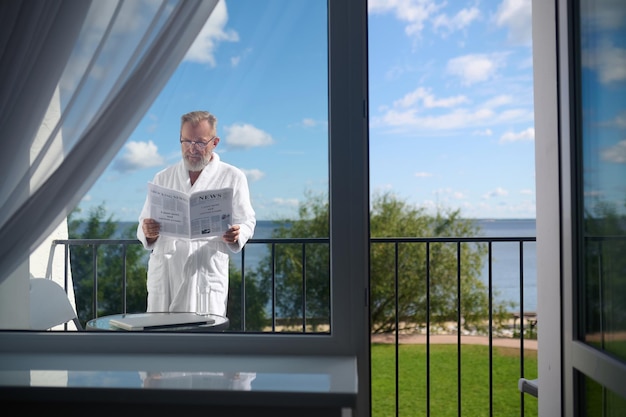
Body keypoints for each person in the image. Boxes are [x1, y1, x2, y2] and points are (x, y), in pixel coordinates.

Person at [136, 110, 256, 316]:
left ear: (215, 142)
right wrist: (148, 231)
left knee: (204, 339)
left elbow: (247, 221)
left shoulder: (233, 176)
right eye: (186, 141)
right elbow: (143, 223)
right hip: (166, 271)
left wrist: (238, 233)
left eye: (200, 142)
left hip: (204, 271)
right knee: (161, 337)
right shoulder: (162, 177)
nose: (192, 149)